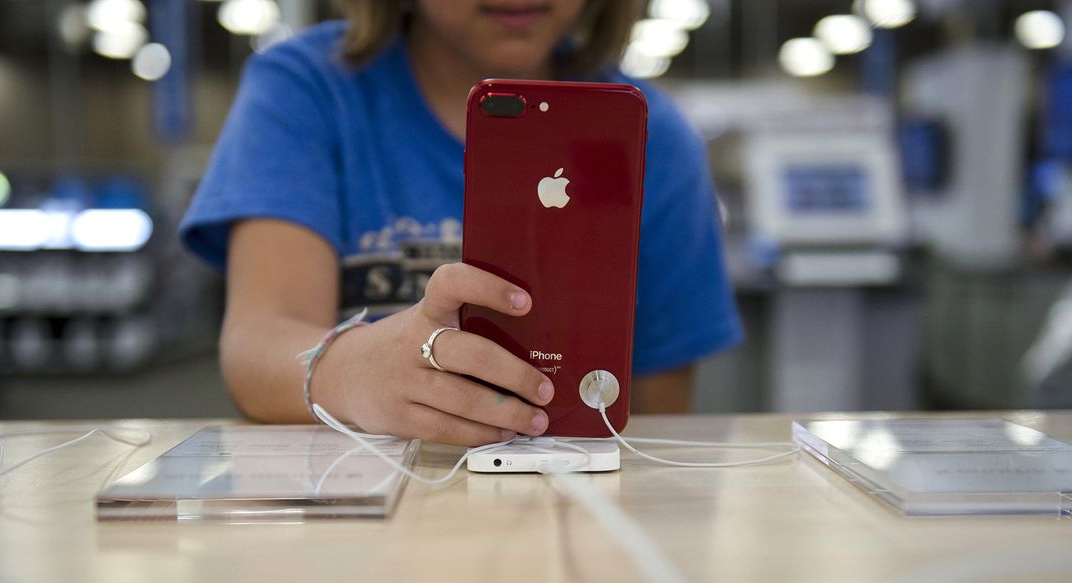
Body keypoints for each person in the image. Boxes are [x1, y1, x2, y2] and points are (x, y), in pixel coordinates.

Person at [179, 0, 742, 446]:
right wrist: (352, 371)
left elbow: (656, 422)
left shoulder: (653, 139)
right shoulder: (307, 88)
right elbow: (257, 346)